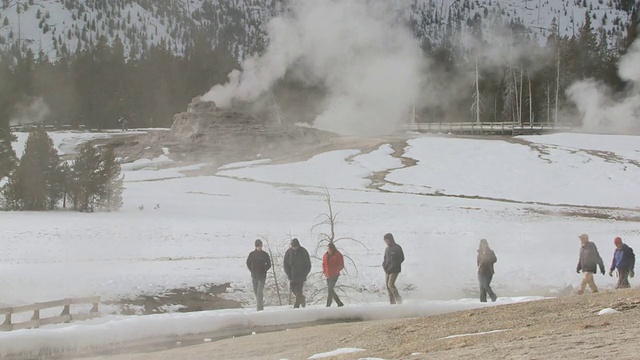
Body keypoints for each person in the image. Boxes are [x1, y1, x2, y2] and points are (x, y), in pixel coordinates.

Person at [283, 238, 311, 308]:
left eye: (296, 246)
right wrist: (288, 273)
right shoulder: (288, 252)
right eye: (293, 246)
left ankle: (296, 307)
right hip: (292, 275)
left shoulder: (303, 252)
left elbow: (308, 264)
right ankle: (302, 298)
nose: (294, 248)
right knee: (293, 289)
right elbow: (285, 264)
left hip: (301, 275)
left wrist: (305, 274)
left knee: (299, 291)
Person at [246, 239, 271, 311]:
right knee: (256, 291)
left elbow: (269, 264)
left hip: (262, 276)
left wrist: (264, 270)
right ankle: (260, 305)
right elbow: (248, 263)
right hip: (254, 276)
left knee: (259, 292)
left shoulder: (265, 254)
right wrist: (251, 270)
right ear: (256, 246)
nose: (260, 247)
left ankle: (259, 309)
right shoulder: (252, 254)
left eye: (260, 246)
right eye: (258, 246)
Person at [382, 233, 405, 305]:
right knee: (387, 285)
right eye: (385, 241)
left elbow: (401, 258)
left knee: (390, 284)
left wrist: (393, 266)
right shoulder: (387, 249)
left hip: (395, 269)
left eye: (387, 240)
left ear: (391, 239)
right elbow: (385, 259)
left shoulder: (397, 247)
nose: (386, 242)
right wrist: (384, 266)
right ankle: (392, 301)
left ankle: (398, 299)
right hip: (387, 269)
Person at [322, 243, 345, 307]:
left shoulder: (338, 255)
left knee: (330, 289)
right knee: (330, 290)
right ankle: (338, 303)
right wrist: (324, 271)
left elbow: (341, 265)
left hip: (335, 274)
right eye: (328, 249)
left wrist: (336, 270)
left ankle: (329, 304)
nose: (329, 250)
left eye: (330, 249)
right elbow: (323, 264)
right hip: (328, 275)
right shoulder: (325, 255)